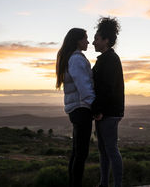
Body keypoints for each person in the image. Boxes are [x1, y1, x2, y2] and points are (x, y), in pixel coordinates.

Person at [56, 28, 95, 187]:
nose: (88, 42)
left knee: (77, 151)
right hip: (81, 108)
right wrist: (94, 105)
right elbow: (83, 85)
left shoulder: (70, 58)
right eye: (85, 38)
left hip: (76, 108)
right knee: (81, 153)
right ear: (78, 40)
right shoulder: (77, 59)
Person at [92, 17, 124, 187]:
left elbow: (107, 89)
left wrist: (99, 110)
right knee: (104, 151)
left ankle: (117, 185)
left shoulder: (110, 59)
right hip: (105, 112)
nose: (93, 42)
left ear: (106, 40)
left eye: (96, 39)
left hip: (109, 113)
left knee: (111, 150)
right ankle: (104, 183)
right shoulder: (104, 59)